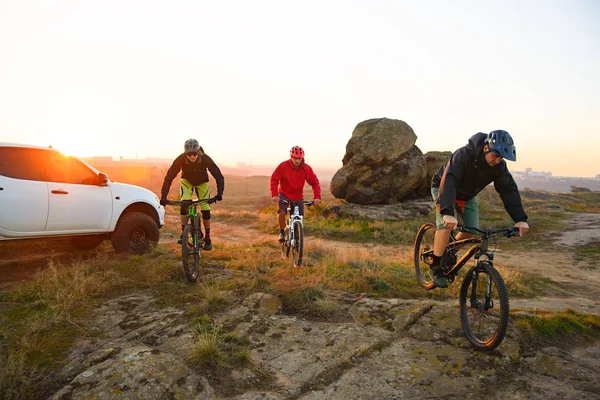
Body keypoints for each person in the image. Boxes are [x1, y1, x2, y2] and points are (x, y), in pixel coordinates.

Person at [430, 130, 529, 288]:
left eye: (500, 158)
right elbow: (448, 180)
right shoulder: (464, 155)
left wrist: (520, 219)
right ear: (485, 148)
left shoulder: (499, 167)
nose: (497, 160)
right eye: (495, 155)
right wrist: (447, 213)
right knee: (445, 225)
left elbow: (508, 190)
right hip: (443, 187)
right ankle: (435, 267)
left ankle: (448, 254)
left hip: (467, 195)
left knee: (471, 229)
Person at [160, 139, 224, 250]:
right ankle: (183, 233)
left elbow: (218, 176)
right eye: (189, 154)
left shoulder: (205, 158)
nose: (192, 156)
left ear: (198, 151)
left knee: (205, 209)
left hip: (202, 182)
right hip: (187, 181)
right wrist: (164, 196)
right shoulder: (180, 159)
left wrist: (219, 194)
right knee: (184, 204)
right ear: (185, 153)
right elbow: (169, 178)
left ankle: (208, 238)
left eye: (194, 153)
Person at [270, 146, 322, 242]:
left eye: (299, 158)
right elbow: (274, 179)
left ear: (302, 158)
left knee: (298, 219)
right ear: (291, 157)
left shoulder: (306, 168)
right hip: (284, 195)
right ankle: (282, 232)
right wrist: (274, 194)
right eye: (295, 158)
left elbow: (315, 182)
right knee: (282, 212)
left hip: (298, 197)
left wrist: (317, 197)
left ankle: (297, 243)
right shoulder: (283, 166)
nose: (297, 161)